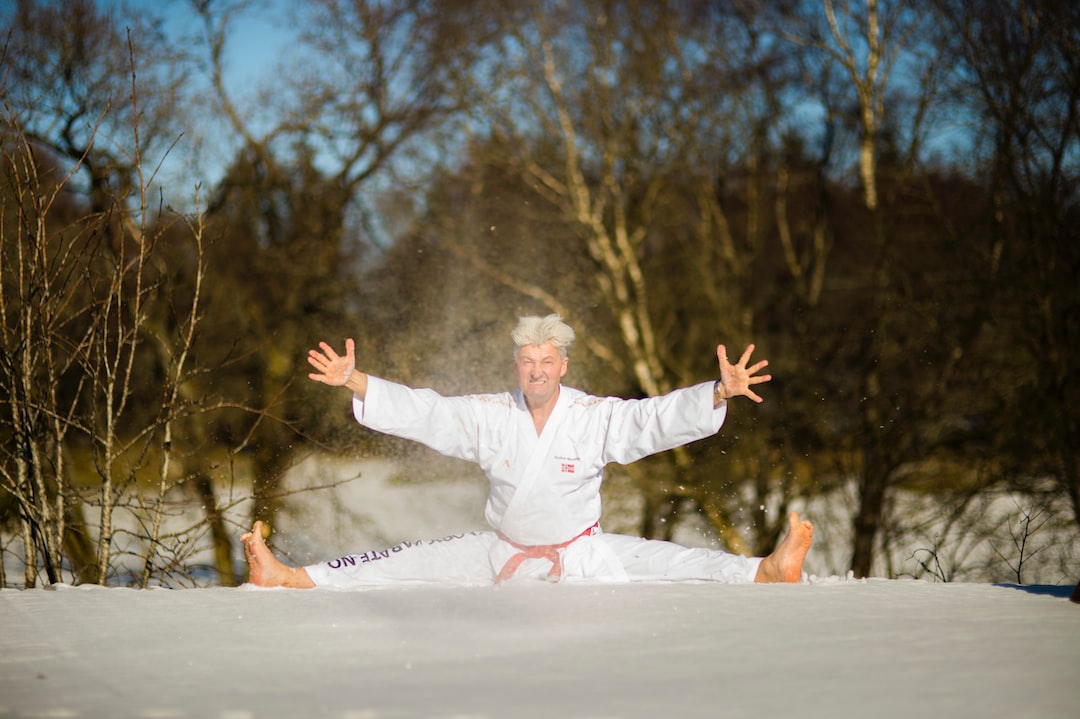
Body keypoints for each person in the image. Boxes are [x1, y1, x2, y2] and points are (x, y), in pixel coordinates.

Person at [243, 314, 812, 588]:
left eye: (547, 362)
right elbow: (430, 413)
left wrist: (718, 392)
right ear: (516, 365)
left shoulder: (594, 418)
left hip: (584, 556)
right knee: (399, 563)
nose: (536, 372)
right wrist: (356, 381)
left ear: (563, 366)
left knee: (672, 561)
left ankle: (768, 568)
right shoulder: (491, 415)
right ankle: (288, 578)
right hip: (500, 551)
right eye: (527, 362)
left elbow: (652, 418)